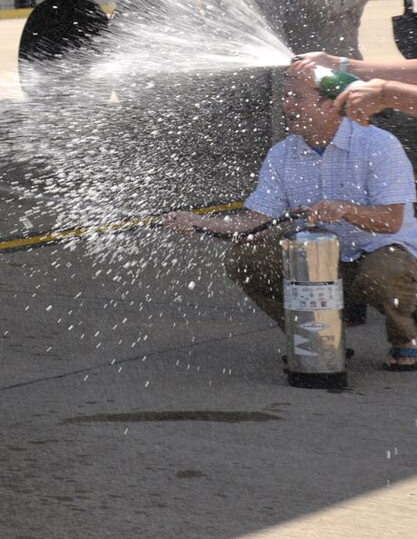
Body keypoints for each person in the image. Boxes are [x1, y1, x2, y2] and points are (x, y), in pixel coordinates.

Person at [164, 65, 417, 371]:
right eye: (285, 96)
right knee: (245, 258)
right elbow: (253, 223)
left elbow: (391, 221)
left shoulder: (378, 145)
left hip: (381, 253)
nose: (286, 105)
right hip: (321, 263)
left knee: (383, 273)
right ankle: (316, 336)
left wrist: (347, 210)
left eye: (297, 97)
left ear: (331, 104)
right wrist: (198, 221)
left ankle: (405, 339)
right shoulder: (281, 154)